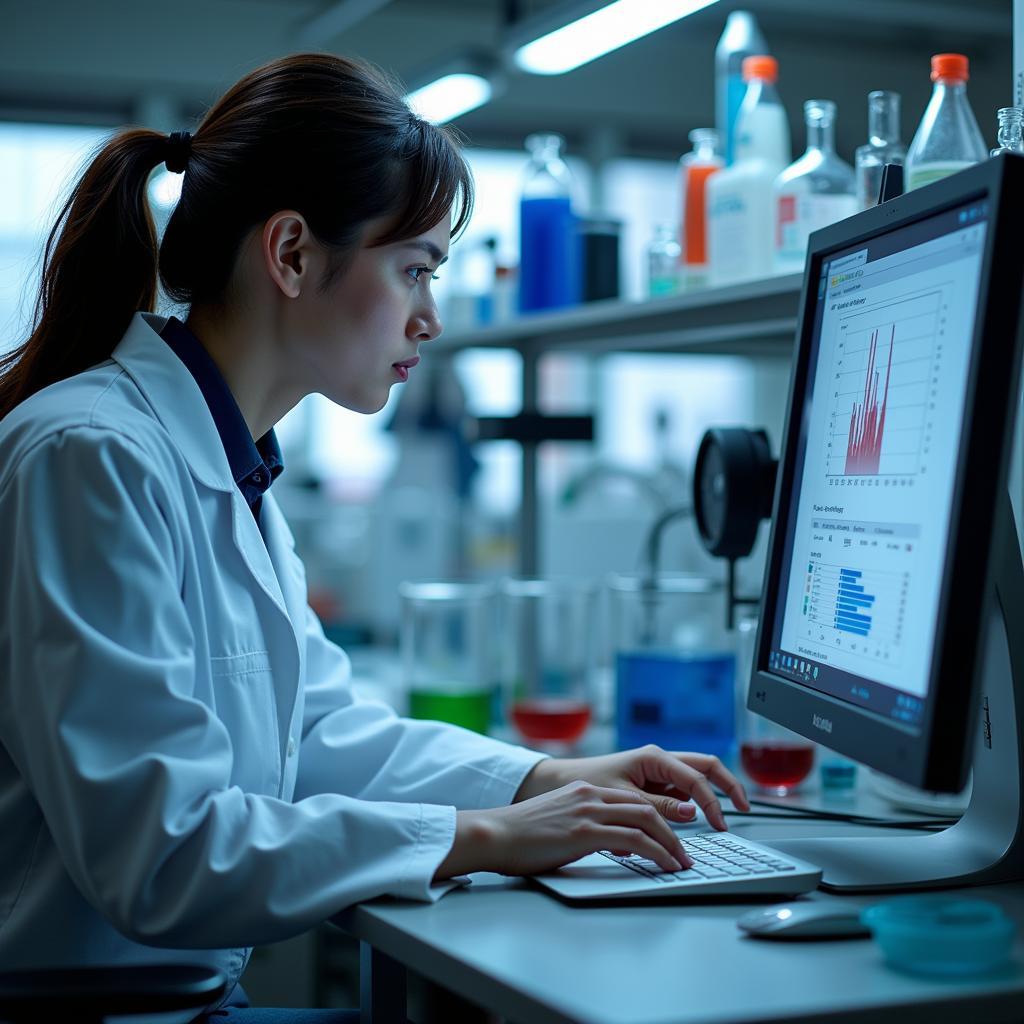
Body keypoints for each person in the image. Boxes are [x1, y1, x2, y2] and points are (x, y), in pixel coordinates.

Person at [0, 53, 749, 1022]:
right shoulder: (91, 456)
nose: (430, 317)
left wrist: (543, 777)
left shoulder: (228, 464)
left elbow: (317, 733)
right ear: (293, 255)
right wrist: (483, 834)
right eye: (413, 271)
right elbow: (162, 852)